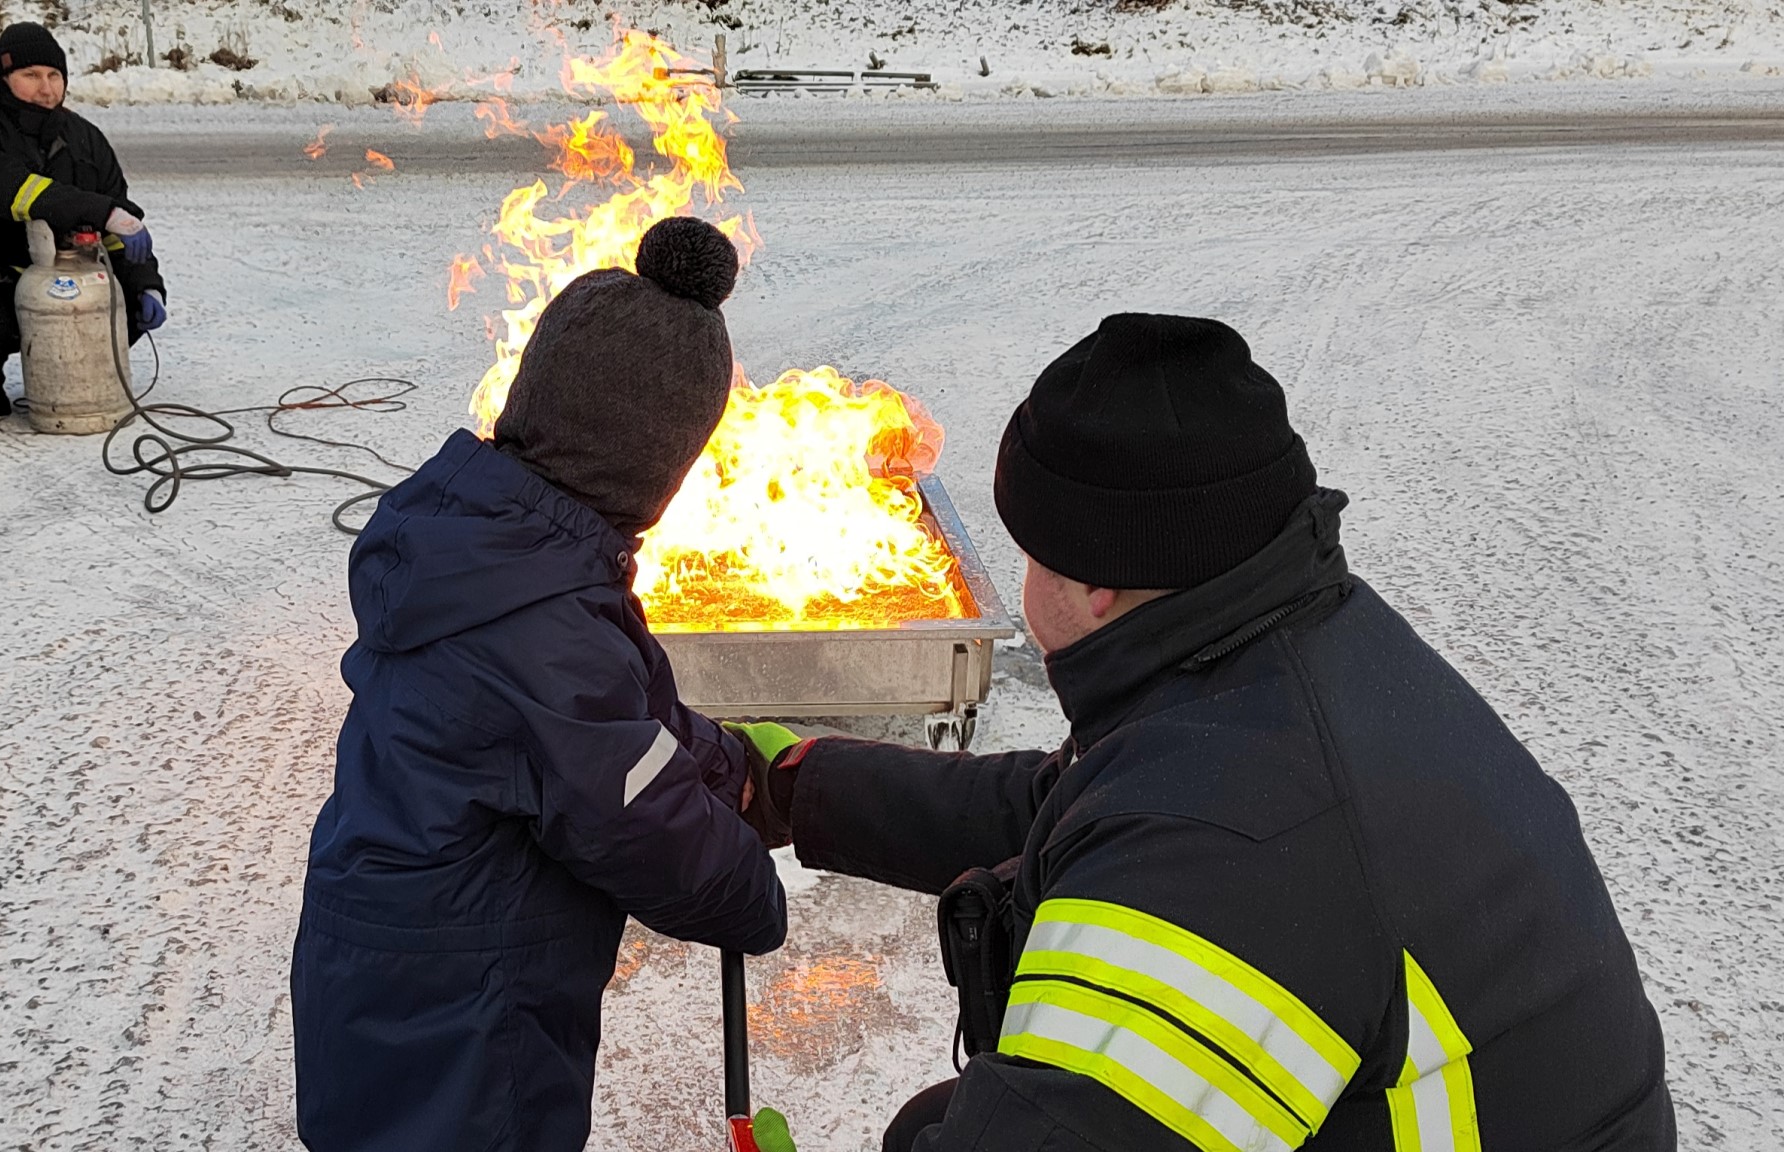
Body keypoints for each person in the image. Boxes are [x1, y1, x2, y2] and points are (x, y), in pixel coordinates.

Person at [739, 313, 1674, 1151]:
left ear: (1097, 583)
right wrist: (806, 785)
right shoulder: (1298, 653)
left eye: (1031, 553)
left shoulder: (1231, 850)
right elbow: (1080, 804)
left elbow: (1174, 855)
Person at [290, 217, 789, 1152]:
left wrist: (729, 768)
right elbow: (632, 815)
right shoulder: (544, 625)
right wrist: (747, 888)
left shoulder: (494, 545)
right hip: (464, 1002)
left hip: (394, 955)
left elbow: (625, 723)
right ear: (651, 464)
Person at [0, 22, 166, 418]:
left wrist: (146, 284)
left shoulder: (85, 137)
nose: (46, 88)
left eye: (54, 75)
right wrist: (100, 211)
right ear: (3, 78)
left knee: (120, 305)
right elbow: (12, 189)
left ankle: (61, 385)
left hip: (57, 267)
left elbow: (115, 224)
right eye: (31, 75)